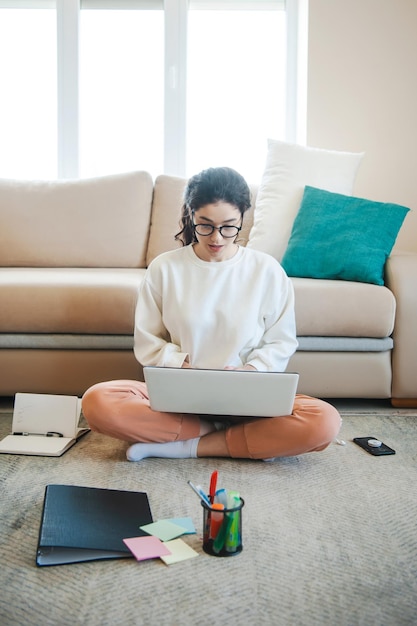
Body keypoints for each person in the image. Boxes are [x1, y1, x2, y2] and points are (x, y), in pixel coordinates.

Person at [82, 167, 341, 462]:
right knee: (97, 401)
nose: (217, 237)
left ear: (243, 217)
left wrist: (251, 371)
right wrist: (181, 366)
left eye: (229, 226)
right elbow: (148, 339)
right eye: (205, 225)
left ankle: (189, 445)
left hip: (248, 398)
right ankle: (226, 435)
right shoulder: (165, 268)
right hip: (180, 396)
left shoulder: (267, 270)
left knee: (324, 421)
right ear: (191, 215)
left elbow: (281, 341)